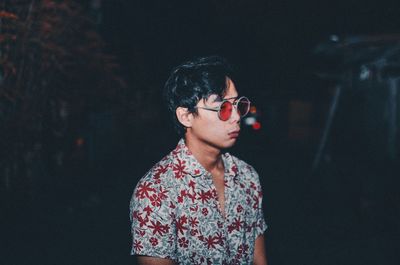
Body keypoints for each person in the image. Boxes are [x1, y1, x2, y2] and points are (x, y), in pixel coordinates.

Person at [130, 56, 268, 265]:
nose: (236, 116)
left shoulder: (247, 176)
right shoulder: (155, 192)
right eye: (222, 108)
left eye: (237, 104)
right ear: (186, 116)